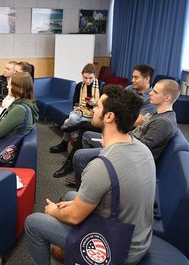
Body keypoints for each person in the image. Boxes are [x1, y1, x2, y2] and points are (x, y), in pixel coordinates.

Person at [25, 85, 155, 265]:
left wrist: (54, 211)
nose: (94, 109)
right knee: (71, 196)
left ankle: (78, 251)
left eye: (99, 107)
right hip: (138, 236)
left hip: (119, 247)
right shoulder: (141, 148)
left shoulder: (100, 166)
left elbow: (74, 217)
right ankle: (70, 250)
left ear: (109, 117)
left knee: (34, 222)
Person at [72, 79, 180, 189]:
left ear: (167, 98)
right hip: (127, 142)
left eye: (155, 92)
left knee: (80, 156)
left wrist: (113, 142)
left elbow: (141, 147)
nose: (151, 93)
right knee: (87, 136)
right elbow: (137, 133)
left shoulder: (163, 122)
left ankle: (83, 192)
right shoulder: (157, 114)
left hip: (130, 155)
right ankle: (92, 176)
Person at [54, 63, 157, 178]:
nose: (132, 80)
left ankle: (71, 161)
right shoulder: (129, 89)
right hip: (113, 120)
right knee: (83, 126)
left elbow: (135, 121)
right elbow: (114, 107)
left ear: (147, 78)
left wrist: (113, 115)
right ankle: (74, 163)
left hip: (123, 130)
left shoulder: (151, 99)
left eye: (136, 77)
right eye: (132, 76)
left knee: (83, 125)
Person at [49, 63, 100, 154]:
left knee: (66, 122)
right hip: (80, 111)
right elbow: (75, 102)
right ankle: (74, 136)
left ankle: (65, 143)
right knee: (72, 118)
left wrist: (94, 103)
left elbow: (102, 107)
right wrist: (76, 107)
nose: (87, 81)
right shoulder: (79, 86)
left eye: (90, 78)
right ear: (82, 75)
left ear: (95, 76)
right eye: (85, 77)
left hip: (94, 115)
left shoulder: (100, 87)